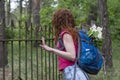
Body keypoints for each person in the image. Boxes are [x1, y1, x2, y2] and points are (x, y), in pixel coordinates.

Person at [40, 8, 89, 80]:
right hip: (76, 70)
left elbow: (72, 56)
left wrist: (51, 49)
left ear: (58, 21)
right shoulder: (73, 33)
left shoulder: (66, 34)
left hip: (72, 70)